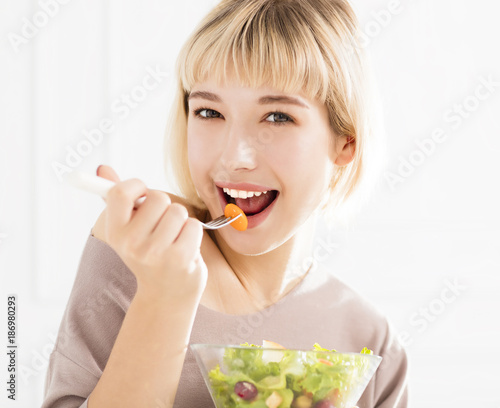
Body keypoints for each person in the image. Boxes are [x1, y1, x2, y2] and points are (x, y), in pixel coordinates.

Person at [41, 0, 408, 407]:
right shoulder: (134, 250)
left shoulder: (370, 344)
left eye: (278, 117)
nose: (235, 157)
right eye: (209, 111)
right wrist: (164, 298)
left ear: (346, 142)